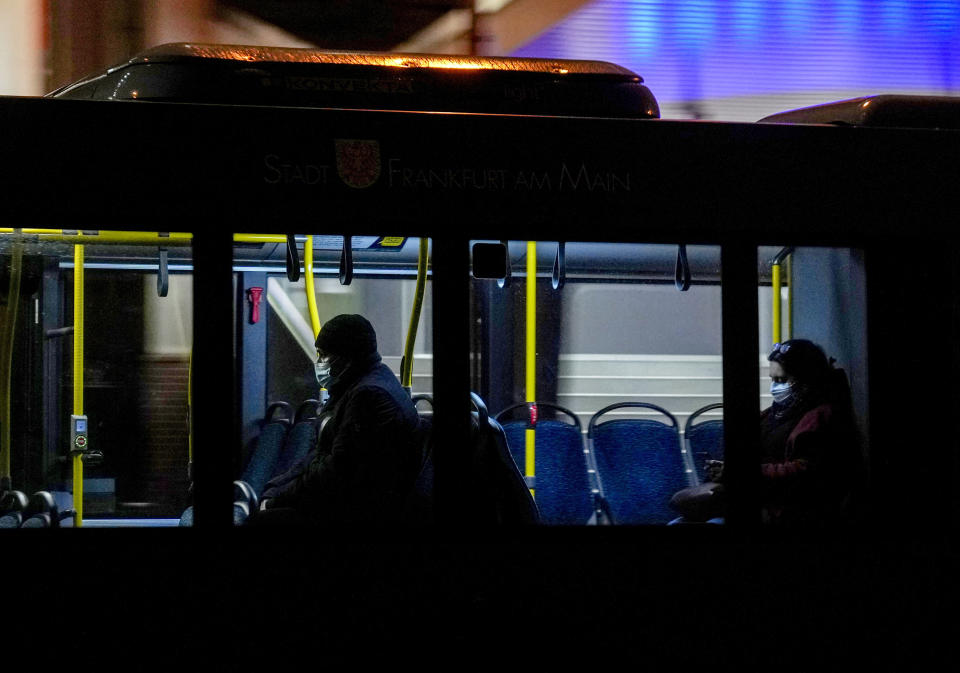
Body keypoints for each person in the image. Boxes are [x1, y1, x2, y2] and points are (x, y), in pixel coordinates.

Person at [670, 338, 861, 527]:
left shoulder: (820, 418)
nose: (774, 387)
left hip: (786, 509)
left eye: (781, 380)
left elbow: (805, 473)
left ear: (805, 380)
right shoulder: (773, 414)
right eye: (772, 379)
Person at [254, 314, 423, 526]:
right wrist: (276, 489)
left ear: (347, 357)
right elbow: (321, 454)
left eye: (324, 355)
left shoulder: (369, 397)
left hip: (364, 510)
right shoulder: (358, 384)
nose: (319, 363)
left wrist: (275, 501)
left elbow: (335, 472)